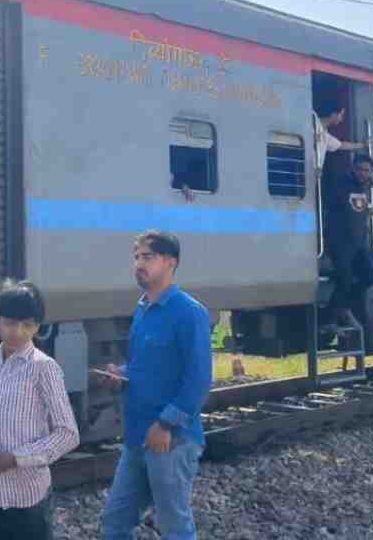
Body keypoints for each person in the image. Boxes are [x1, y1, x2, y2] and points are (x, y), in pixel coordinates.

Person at [98, 230, 212, 540]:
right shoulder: (142, 309)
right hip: (137, 437)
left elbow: (199, 379)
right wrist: (121, 374)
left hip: (170, 440)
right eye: (136, 257)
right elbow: (144, 367)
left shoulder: (189, 312)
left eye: (147, 257)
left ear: (171, 263)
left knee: (173, 526)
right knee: (114, 522)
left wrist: (165, 424)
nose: (139, 263)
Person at [0, 280, 80, 540]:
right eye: (10, 323)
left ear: (38, 326)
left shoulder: (44, 368)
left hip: (29, 500)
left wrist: (14, 459)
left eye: (28, 325)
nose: (18, 332)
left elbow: (68, 434)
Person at [324, 154, 373, 353]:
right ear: (353, 168)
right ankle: (330, 319)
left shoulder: (365, 186)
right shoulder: (341, 183)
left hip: (358, 242)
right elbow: (335, 208)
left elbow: (358, 206)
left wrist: (369, 209)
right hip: (341, 242)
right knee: (344, 279)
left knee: (370, 275)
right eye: (360, 169)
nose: (363, 173)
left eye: (367, 170)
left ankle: (347, 302)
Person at [313, 100, 367, 172]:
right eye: (341, 115)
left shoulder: (324, 134)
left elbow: (341, 145)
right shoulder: (311, 120)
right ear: (333, 114)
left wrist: (362, 145)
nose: (341, 120)